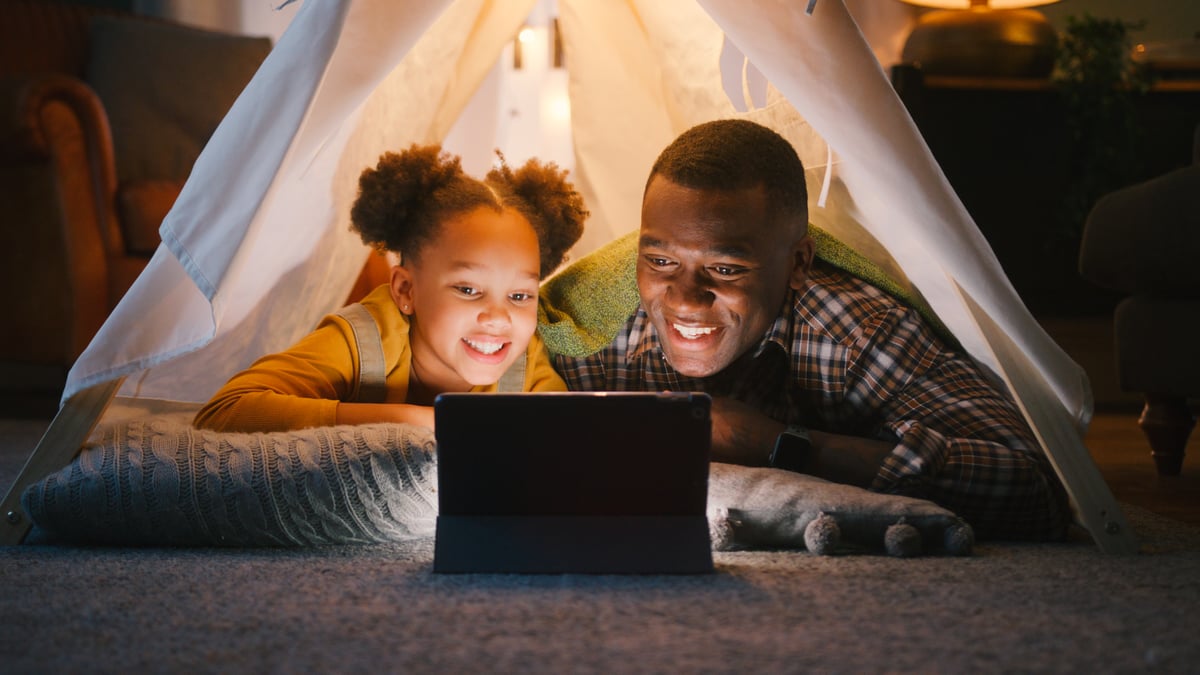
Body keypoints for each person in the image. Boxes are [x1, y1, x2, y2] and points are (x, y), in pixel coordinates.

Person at [551, 119, 1069, 541]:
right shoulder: (586, 333)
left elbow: (1038, 490)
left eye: (726, 269)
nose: (685, 299)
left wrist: (778, 445)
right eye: (661, 261)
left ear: (798, 263)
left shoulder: (856, 332)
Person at [194, 144, 588, 433]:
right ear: (406, 290)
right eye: (468, 289)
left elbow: (564, 440)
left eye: (520, 296)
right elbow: (225, 411)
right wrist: (411, 421)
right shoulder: (362, 338)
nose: (498, 317)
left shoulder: (526, 364)